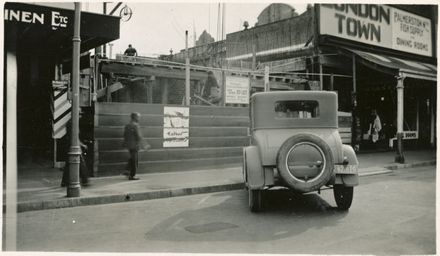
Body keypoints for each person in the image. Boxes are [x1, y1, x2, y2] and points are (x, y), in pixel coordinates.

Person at [123, 112, 149, 180]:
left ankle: (127, 170)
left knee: (132, 158)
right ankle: (132, 175)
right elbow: (139, 136)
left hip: (129, 145)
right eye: (138, 117)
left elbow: (125, 135)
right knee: (135, 160)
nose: (139, 118)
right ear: (135, 117)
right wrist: (145, 145)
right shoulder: (135, 125)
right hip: (134, 145)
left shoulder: (127, 125)